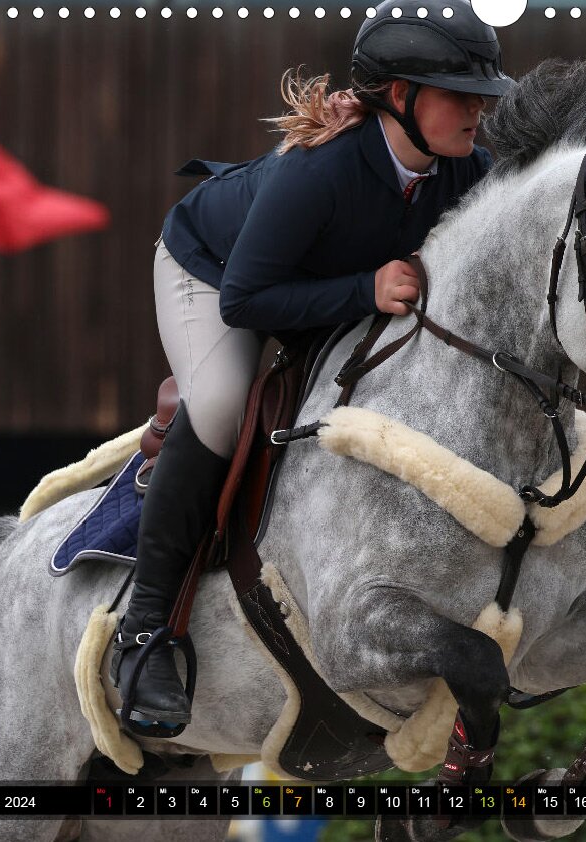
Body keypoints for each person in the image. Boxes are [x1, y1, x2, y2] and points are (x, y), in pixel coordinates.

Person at [110, 0, 514, 736]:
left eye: (482, 95)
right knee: (223, 405)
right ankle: (144, 632)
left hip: (319, 280)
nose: (478, 110)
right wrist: (365, 289)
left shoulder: (466, 168)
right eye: (460, 93)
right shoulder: (319, 171)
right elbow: (245, 300)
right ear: (401, 96)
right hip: (214, 272)